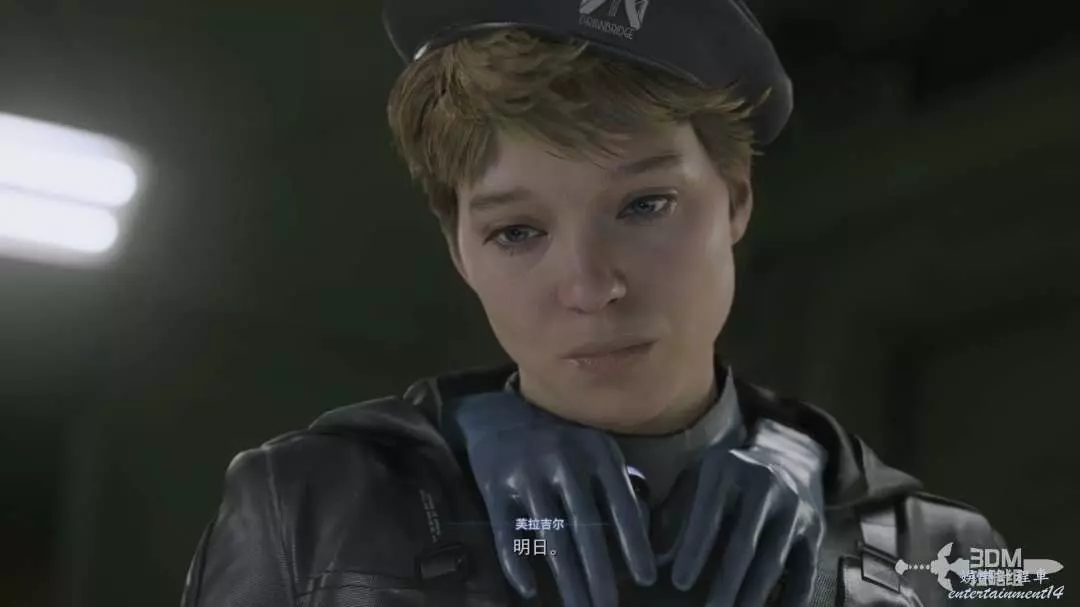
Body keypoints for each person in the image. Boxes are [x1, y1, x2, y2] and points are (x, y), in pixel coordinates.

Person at [180, 1, 1012, 605]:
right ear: (459, 249)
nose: (589, 288)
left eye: (645, 205)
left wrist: (843, 512)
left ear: (736, 198)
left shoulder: (943, 555)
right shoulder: (312, 507)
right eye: (516, 231)